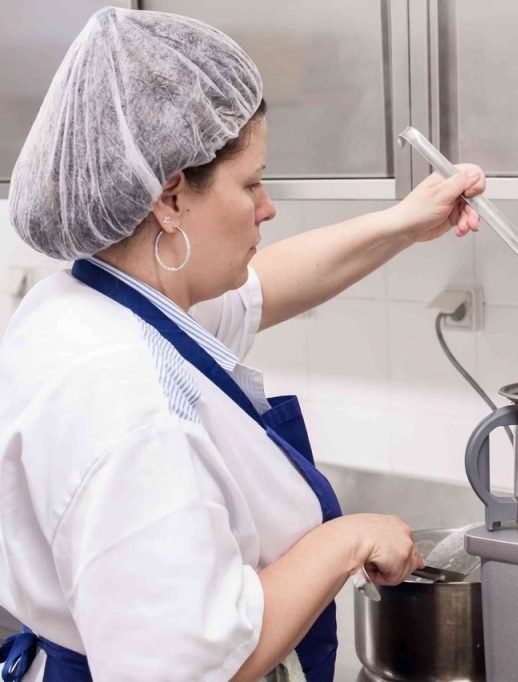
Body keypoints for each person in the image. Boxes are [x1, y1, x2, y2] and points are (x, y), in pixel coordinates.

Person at [0, 7, 485, 681]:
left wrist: (406, 222)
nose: (268, 206)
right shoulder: (127, 401)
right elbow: (187, 667)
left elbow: (264, 285)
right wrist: (343, 541)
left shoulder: (92, 301)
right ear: (170, 198)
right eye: (251, 182)